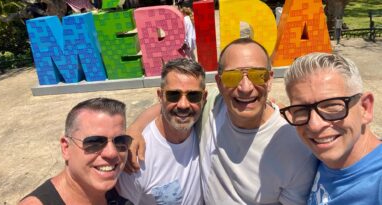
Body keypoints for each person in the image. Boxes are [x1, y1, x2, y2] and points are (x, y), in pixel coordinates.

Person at [127, 38, 317, 204]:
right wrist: (135, 129)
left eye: (258, 75)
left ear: (269, 80)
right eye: (233, 77)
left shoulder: (296, 147)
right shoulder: (213, 105)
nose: (245, 87)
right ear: (219, 83)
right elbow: (173, 104)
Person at [280, 52, 382, 204]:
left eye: (332, 106)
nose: (314, 125)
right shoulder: (324, 156)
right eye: (301, 109)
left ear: (365, 108)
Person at [117, 58, 206, 204]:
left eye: (193, 95)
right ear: (160, 96)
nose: (183, 104)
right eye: (173, 95)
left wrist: (135, 127)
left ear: (204, 98)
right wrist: (135, 129)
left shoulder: (204, 125)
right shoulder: (137, 156)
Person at [19, 98, 132, 205]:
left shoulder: (118, 184)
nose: (112, 153)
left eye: (120, 141)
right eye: (94, 143)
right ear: (66, 148)